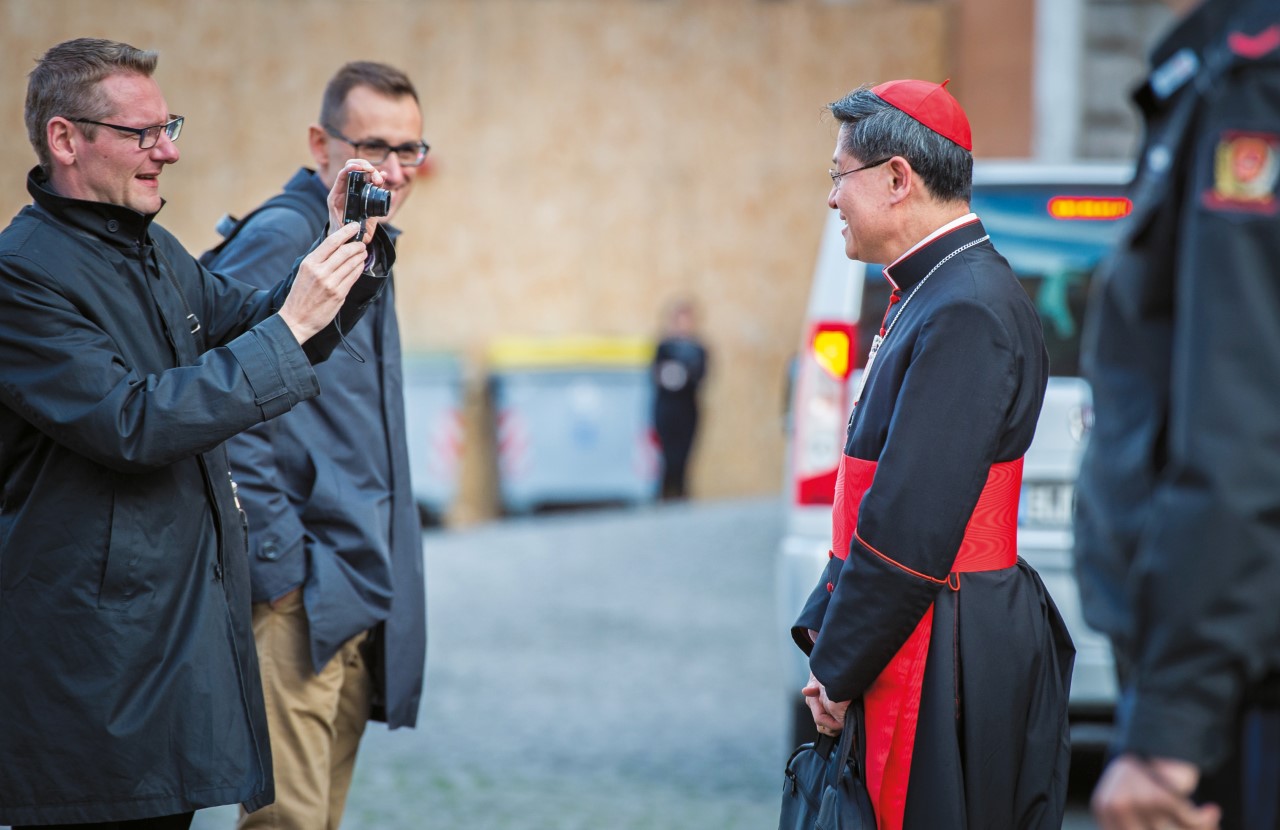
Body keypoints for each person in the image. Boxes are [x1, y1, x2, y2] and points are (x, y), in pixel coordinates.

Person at [0, 38, 395, 829]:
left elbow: (252, 323)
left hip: (157, 655)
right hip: (89, 672)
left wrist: (345, 245)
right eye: (141, 134)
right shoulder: (21, 273)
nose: (169, 151)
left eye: (167, 125)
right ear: (66, 139)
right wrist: (289, 325)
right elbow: (130, 421)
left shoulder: (150, 248)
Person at [789, 80, 1075, 829]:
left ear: (895, 178)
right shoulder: (934, 290)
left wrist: (841, 666)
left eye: (836, 176)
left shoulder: (968, 307)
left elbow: (911, 524)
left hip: (946, 638)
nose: (830, 199)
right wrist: (828, 626)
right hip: (922, 621)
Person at [201, 61, 428, 830]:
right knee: (286, 825)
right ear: (320, 143)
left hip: (350, 586)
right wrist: (280, 566)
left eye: (411, 151)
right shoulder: (288, 234)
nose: (394, 171)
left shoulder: (361, 237)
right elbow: (217, 391)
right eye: (374, 147)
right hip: (299, 594)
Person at [1074, 0, 1280, 827]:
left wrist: (1171, 730)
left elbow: (1242, 418)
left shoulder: (1252, 80)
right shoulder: (1214, 72)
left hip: (1244, 691)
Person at [650, 298, 708, 500]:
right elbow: (658, 375)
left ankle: (681, 494)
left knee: (684, 455)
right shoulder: (663, 347)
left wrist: (680, 375)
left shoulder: (698, 349)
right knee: (667, 456)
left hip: (688, 409)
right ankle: (665, 494)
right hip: (666, 409)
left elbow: (698, 376)